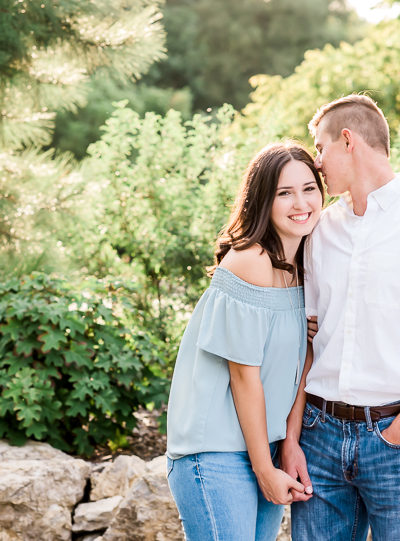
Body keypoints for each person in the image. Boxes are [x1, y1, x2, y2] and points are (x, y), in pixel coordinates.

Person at [166, 142, 324, 541]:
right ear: (262, 201)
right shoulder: (251, 260)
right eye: (284, 193)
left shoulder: (306, 267)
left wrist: (288, 444)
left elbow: (302, 365)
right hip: (215, 452)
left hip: (264, 448)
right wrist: (263, 468)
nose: (300, 202)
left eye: (309, 188)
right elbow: (243, 378)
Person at [280, 94, 400, 541]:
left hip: (392, 439)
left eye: (320, 147)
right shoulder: (320, 230)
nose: (316, 164)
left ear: (347, 140)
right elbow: (307, 344)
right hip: (319, 437)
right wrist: (293, 440)